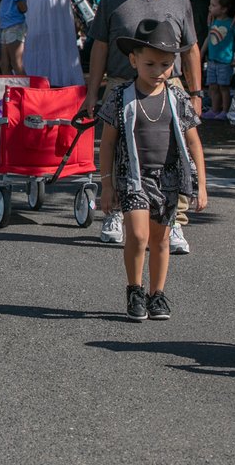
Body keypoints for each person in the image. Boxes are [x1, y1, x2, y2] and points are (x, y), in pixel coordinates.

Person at [83, 0, 201, 253]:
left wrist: (196, 93)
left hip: (170, 85)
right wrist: (93, 91)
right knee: (117, 149)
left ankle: (174, 221)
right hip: (121, 85)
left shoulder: (179, 1)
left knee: (174, 153)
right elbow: (100, 47)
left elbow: (191, 49)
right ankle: (115, 212)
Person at [97, 18, 206, 321]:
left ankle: (156, 294)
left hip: (169, 178)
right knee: (139, 235)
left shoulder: (178, 98)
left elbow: (194, 143)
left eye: (165, 65)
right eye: (150, 64)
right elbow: (106, 144)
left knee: (161, 239)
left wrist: (202, 186)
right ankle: (135, 288)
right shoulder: (120, 96)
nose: (158, 72)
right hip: (133, 178)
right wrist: (107, 184)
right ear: (133, 60)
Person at [199, 0, 235, 119]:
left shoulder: (232, 23)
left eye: (213, 5)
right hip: (212, 60)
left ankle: (225, 110)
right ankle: (215, 109)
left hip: (225, 61)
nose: (209, 8)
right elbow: (208, 37)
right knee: (212, 86)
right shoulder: (213, 21)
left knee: (224, 87)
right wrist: (202, 52)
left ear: (224, 9)